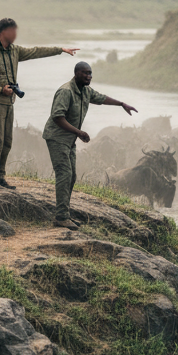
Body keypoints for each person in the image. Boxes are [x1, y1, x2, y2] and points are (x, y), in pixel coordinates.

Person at [0, 18, 79, 188]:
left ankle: (0, 176)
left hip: (9, 102)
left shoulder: (15, 51)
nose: (16, 34)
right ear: (3, 32)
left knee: (7, 141)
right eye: (13, 31)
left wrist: (60, 49)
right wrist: (0, 89)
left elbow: (36, 51)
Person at [44, 61, 137, 229]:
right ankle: (61, 216)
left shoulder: (85, 91)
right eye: (85, 73)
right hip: (57, 138)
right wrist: (79, 132)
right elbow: (58, 117)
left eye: (91, 73)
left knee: (71, 177)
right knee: (64, 175)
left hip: (70, 140)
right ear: (76, 73)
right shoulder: (65, 91)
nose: (89, 76)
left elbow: (102, 98)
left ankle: (64, 214)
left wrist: (122, 104)